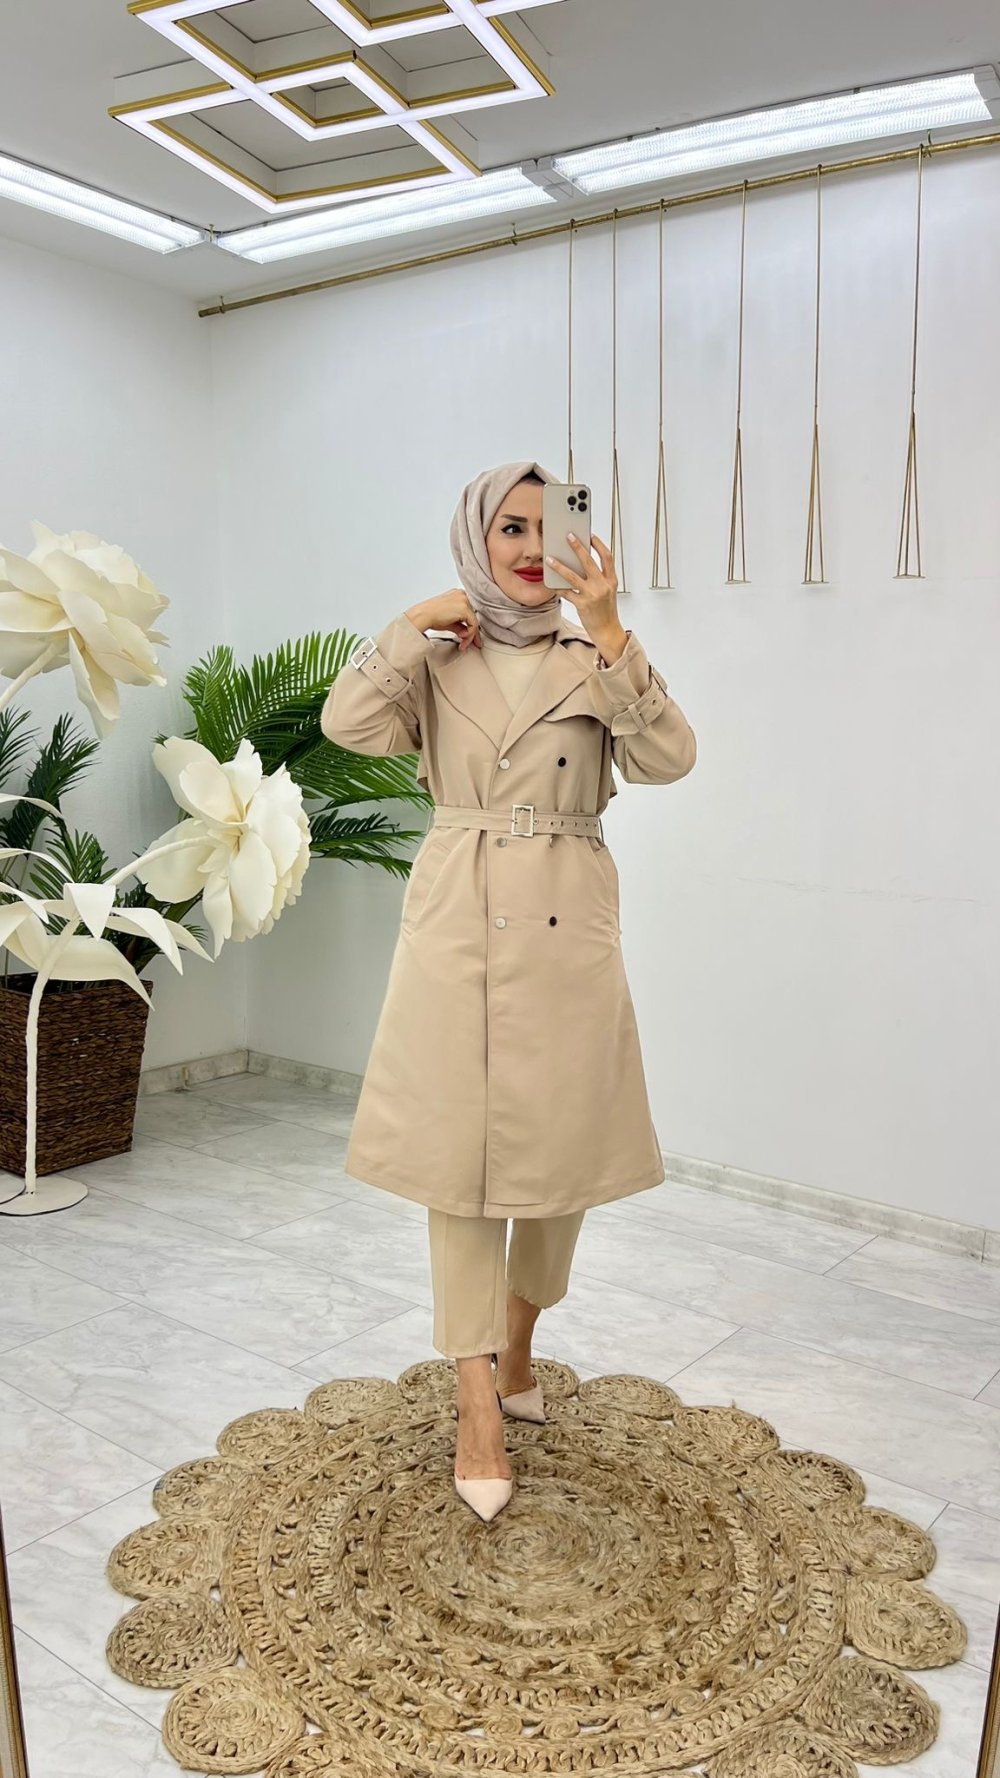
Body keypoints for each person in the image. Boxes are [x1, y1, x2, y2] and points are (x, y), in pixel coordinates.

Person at [321, 460, 696, 1522]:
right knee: (458, 1163)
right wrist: (408, 626)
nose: (533, 548)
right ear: (476, 539)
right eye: (511, 528)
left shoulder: (594, 655)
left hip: (568, 909)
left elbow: (669, 759)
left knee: (561, 1154)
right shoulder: (440, 657)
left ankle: (521, 1331)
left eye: (550, 527)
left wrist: (611, 632)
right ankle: (475, 1394)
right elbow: (349, 725)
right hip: (457, 909)